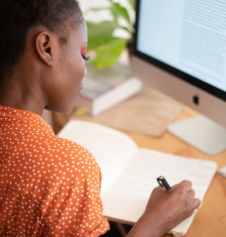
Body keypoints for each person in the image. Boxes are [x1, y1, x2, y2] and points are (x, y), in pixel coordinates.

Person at [0, 0, 200, 236]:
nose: (84, 70)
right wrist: (155, 221)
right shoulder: (64, 170)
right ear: (46, 47)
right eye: (83, 54)